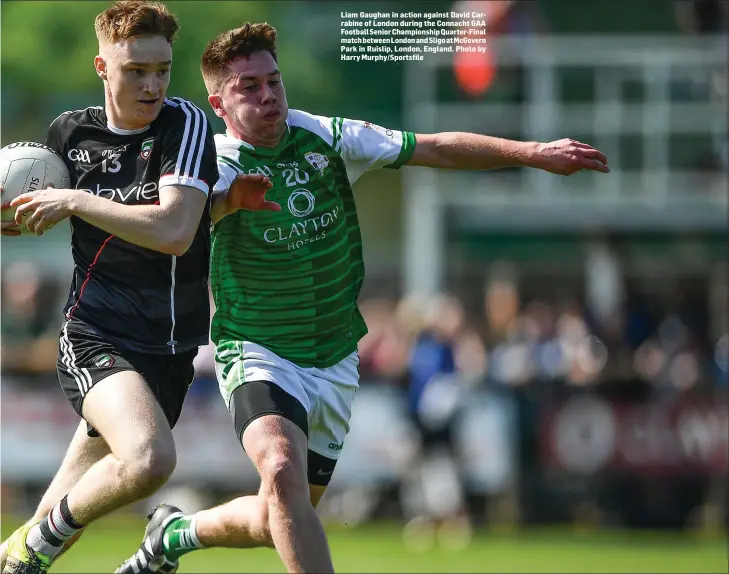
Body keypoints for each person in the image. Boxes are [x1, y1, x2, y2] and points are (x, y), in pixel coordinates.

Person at [116, 22, 609, 574]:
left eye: (274, 81)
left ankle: (175, 533)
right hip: (258, 350)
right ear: (218, 104)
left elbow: (437, 149)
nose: (268, 96)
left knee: (275, 514)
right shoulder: (211, 161)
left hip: (334, 359)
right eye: (248, 87)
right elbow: (186, 219)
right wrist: (231, 202)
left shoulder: (325, 135)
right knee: (279, 470)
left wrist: (534, 152)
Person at [0, 2, 220, 573]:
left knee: (49, 528)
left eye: (162, 69)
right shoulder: (67, 134)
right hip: (96, 332)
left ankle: (139, 555)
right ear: (103, 66)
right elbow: (32, 207)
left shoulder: (184, 123)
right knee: (149, 459)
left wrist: (74, 200)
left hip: (169, 348)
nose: (152, 85)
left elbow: (174, 230)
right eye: (135, 70)